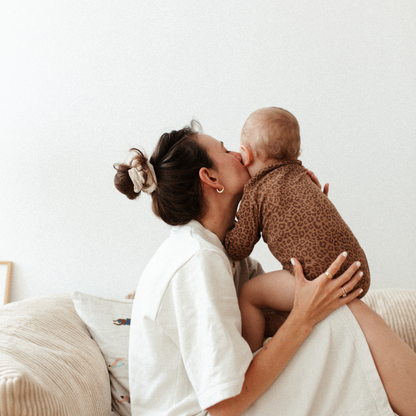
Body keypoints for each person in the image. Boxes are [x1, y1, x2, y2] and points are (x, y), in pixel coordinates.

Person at [114, 120, 416, 416]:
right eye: (226, 150)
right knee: (343, 313)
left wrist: (309, 217)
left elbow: (280, 315)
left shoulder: (223, 254)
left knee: (333, 311)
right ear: (210, 178)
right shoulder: (196, 259)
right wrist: (304, 317)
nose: (238, 154)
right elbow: (224, 406)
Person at [224, 107, 371, 351]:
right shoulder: (305, 177)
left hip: (317, 279)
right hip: (357, 273)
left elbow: (238, 248)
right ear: (297, 152)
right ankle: (278, 328)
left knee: (249, 295)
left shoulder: (256, 189)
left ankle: (250, 357)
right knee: (277, 311)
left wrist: (227, 230)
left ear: (246, 155)